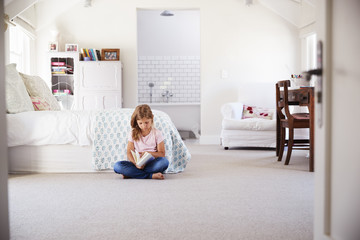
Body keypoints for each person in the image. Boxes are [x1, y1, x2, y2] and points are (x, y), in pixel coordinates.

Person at [113, 104, 169, 179]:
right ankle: (150, 175)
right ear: (137, 122)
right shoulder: (132, 133)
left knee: (164, 162)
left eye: (146, 122)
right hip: (137, 164)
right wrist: (136, 164)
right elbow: (129, 152)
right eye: (140, 123)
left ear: (152, 118)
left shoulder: (157, 133)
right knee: (117, 166)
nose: (144, 126)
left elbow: (162, 153)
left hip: (151, 164)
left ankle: (132, 174)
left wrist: (149, 153)